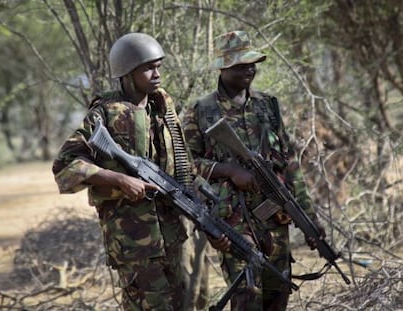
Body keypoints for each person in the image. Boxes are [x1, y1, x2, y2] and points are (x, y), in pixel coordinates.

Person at [183, 30, 326, 311]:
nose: (249, 69)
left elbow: (290, 162)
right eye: (240, 64)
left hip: (274, 218)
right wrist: (227, 170)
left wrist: (308, 217)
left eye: (252, 63)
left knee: (278, 296)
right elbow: (187, 164)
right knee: (247, 298)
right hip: (233, 222)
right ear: (223, 68)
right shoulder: (202, 110)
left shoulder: (268, 106)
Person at [52, 32, 192, 311]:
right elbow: (65, 166)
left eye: (159, 66)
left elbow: (184, 166)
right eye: (148, 68)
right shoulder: (105, 113)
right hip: (134, 242)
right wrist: (119, 179)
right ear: (128, 73)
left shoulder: (162, 109)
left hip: (171, 234)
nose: (156, 74)